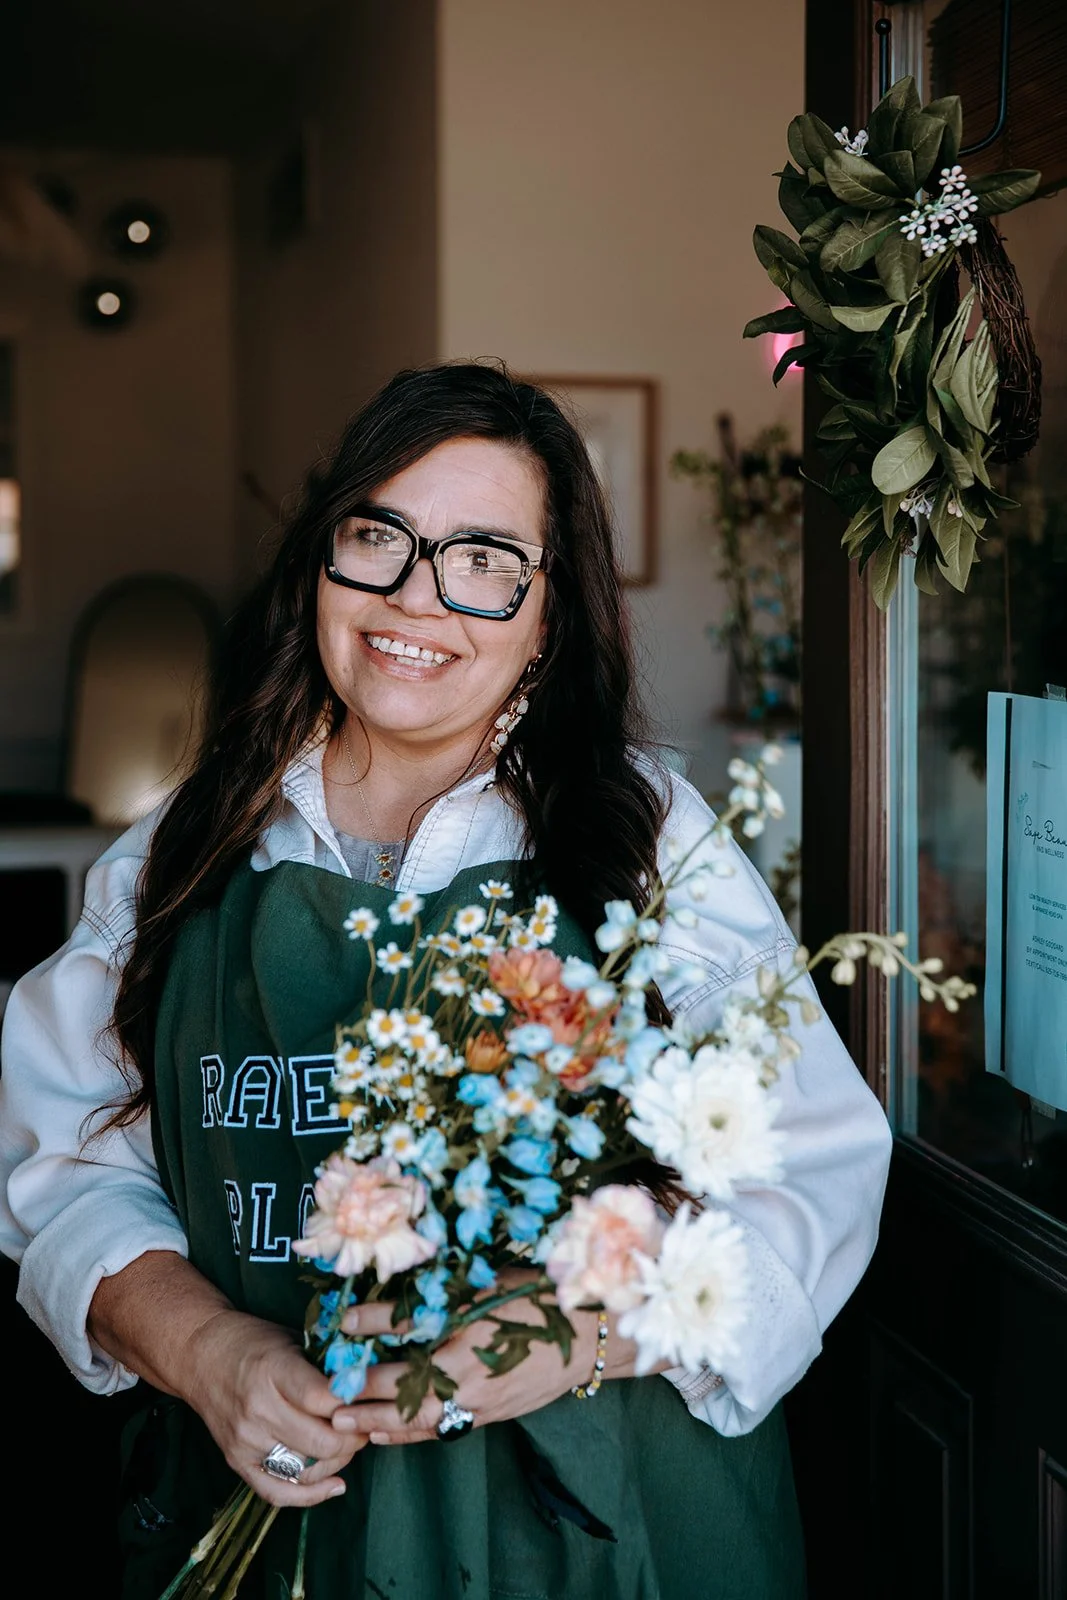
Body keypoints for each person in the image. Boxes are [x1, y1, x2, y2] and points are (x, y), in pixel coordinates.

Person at [0, 360, 892, 1599]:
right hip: (276, 1516)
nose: (418, 598)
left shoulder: (644, 839)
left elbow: (813, 1167)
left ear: (551, 606)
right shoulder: (185, 850)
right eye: (381, 537)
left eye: (484, 559)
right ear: (322, 560)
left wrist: (561, 1339)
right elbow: (57, 1163)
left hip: (604, 1528)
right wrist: (210, 1352)